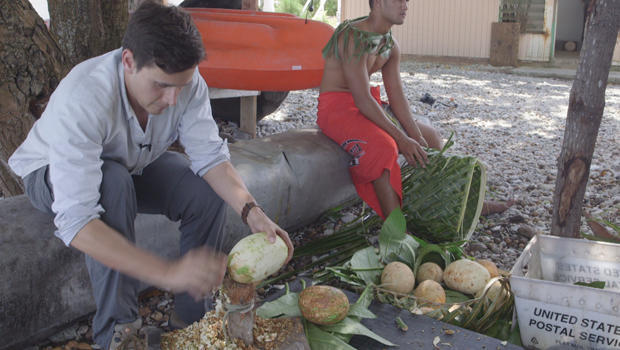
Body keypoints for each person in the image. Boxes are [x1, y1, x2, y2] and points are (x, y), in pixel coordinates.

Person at [8, 2, 293, 349]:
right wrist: (167, 272)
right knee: (111, 184)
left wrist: (253, 212)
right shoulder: (83, 96)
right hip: (50, 172)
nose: (172, 99)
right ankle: (119, 332)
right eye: (161, 86)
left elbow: (211, 158)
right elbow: (78, 223)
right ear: (128, 61)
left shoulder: (185, 83)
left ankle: (193, 324)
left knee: (202, 192)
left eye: (181, 86)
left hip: (127, 164)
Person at [318, 0, 512, 220]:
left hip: (368, 103)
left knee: (431, 138)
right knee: (385, 146)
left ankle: (462, 204)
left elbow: (397, 99)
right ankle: (396, 227)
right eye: (399, 0)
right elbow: (362, 100)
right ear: (379, 3)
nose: (405, 5)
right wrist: (402, 138)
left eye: (407, 1)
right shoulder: (353, 37)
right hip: (336, 108)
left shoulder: (390, 45)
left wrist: (416, 137)